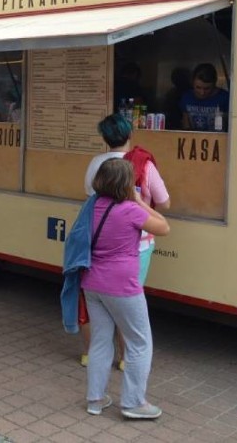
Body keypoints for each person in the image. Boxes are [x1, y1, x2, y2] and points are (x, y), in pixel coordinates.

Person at [80, 114, 170, 367]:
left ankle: (94, 356)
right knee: (129, 302)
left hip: (99, 241)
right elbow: (164, 203)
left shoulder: (96, 163)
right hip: (138, 244)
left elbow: (90, 198)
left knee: (99, 303)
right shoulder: (143, 164)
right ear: (130, 135)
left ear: (105, 138)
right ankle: (125, 359)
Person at [83, 158, 169, 419]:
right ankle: (133, 403)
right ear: (127, 185)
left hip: (91, 282)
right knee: (140, 342)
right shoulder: (130, 210)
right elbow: (165, 227)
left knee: (100, 340)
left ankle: (95, 399)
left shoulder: (92, 206)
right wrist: (140, 200)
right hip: (122, 286)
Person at [179, 63, 229, 132]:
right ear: (192, 83)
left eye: (207, 88)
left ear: (214, 84)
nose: (202, 92)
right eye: (198, 87)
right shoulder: (187, 98)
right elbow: (186, 127)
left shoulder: (225, 98)